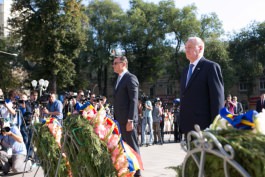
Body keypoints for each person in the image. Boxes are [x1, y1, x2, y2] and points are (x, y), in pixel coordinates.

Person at [179, 37, 224, 137]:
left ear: (200, 48)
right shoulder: (185, 70)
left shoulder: (211, 67)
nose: (186, 50)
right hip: (187, 127)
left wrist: (215, 126)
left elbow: (217, 99)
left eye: (189, 47)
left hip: (204, 127)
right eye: (185, 47)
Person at [112, 56, 142, 177]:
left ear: (123, 64)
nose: (113, 65)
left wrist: (131, 119)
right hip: (120, 120)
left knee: (132, 146)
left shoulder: (130, 78)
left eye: (115, 63)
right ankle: (129, 170)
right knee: (124, 147)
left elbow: (134, 100)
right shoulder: (119, 79)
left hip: (128, 120)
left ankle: (138, 172)